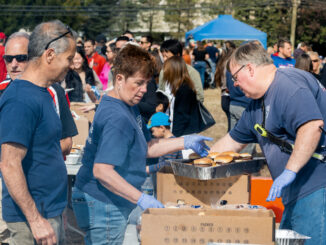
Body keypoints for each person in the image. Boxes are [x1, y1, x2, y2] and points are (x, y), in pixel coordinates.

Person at [71, 44, 211, 245]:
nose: (144, 90)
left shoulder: (126, 103)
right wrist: (141, 198)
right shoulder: (116, 117)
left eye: (146, 83)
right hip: (103, 202)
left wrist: (184, 141)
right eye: (138, 83)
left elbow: (146, 146)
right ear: (119, 79)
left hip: (107, 199)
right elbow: (102, 171)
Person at [211, 42, 326, 245]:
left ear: (250, 68)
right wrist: (194, 157)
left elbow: (312, 126)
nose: (234, 84)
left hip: (317, 187)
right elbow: (232, 142)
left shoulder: (288, 85)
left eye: (235, 77)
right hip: (295, 193)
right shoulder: (256, 105)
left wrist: (289, 171)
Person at [0, 20, 76, 245]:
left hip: (48, 211)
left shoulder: (42, 93)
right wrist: (35, 220)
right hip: (32, 220)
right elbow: (9, 163)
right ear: (50, 54)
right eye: (69, 58)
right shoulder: (20, 99)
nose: (71, 65)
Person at [163, 56, 199, 137]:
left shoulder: (185, 89)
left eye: (166, 69)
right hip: (177, 129)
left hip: (183, 134)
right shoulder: (175, 86)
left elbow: (183, 117)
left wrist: (174, 137)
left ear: (173, 70)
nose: (164, 71)